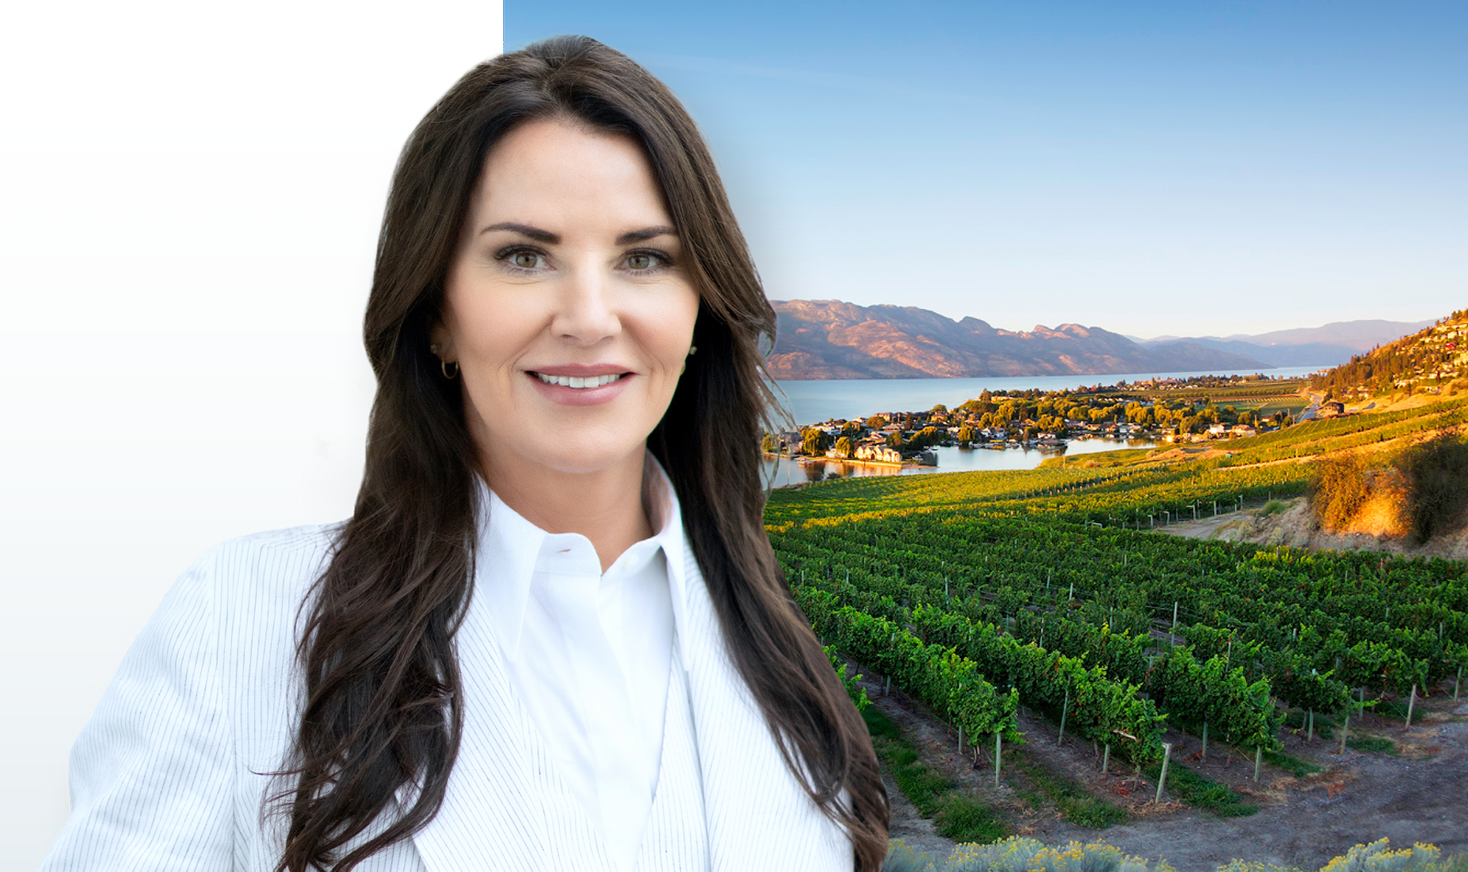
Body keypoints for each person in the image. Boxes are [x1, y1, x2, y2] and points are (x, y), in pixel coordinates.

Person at [39, 35, 888, 872]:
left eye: (644, 258)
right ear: (437, 308)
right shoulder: (236, 625)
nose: (589, 318)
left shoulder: (774, 649)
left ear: (699, 307)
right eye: (523, 256)